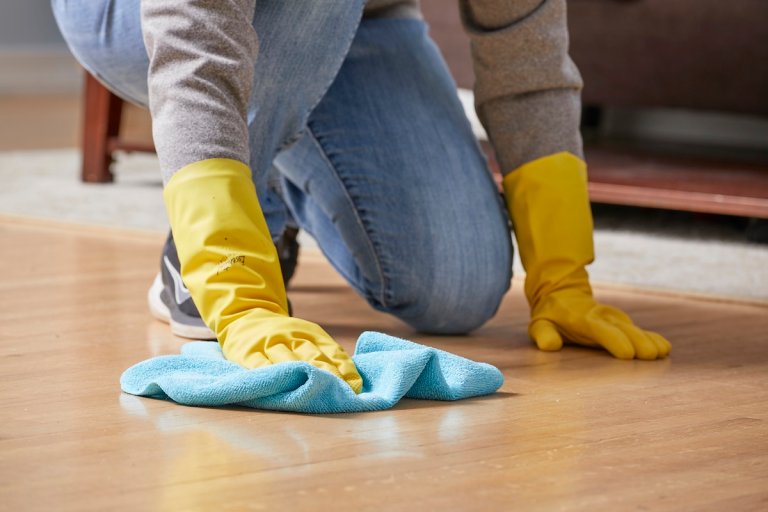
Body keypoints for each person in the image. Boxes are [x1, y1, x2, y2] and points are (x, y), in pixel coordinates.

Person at [53, 0, 671, 392]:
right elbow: (195, 51)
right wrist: (232, 284)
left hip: (359, 19)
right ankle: (209, 252)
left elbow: (527, 60)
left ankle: (266, 170)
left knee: (458, 290)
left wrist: (561, 273)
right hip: (139, 17)